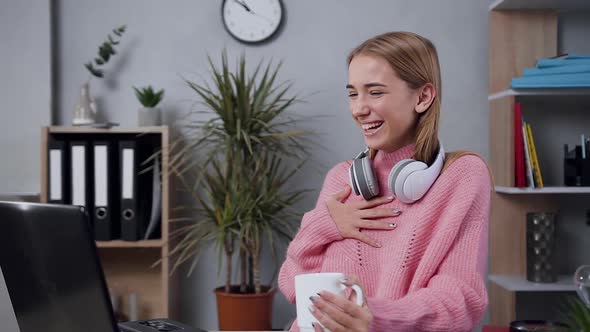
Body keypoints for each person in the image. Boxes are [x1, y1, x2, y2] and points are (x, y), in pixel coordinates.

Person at [278, 31, 492, 332]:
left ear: (422, 96)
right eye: (353, 93)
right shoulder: (343, 178)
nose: (358, 109)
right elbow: (292, 282)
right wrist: (325, 225)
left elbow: (459, 301)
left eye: (375, 92)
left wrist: (374, 317)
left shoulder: (462, 175)